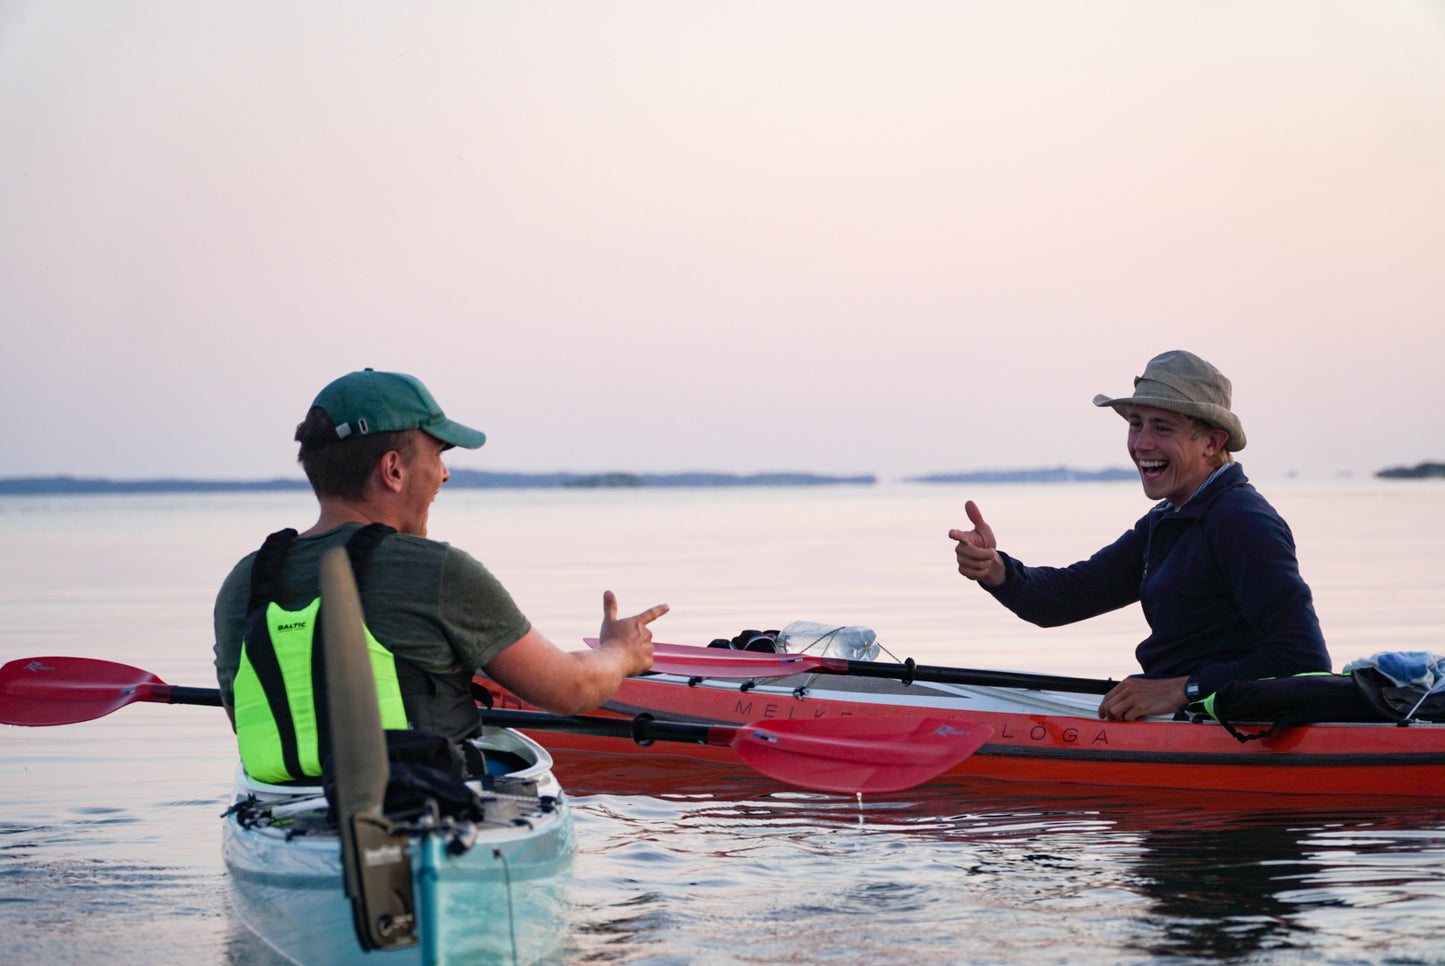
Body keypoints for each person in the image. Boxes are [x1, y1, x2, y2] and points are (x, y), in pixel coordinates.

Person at [213, 368, 668, 784]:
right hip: (428, 810)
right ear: (393, 470)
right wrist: (619, 652)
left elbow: (250, 718)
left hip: (280, 821)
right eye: (438, 454)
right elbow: (572, 689)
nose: (445, 474)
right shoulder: (437, 571)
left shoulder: (244, 584)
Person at [948, 350, 1329, 722]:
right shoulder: (1167, 519)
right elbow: (1066, 598)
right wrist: (995, 569)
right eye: (1135, 424)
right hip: (1179, 721)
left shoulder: (1243, 521)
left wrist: (1183, 689)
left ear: (1212, 443)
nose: (1141, 444)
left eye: (1162, 428)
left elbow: (1304, 663)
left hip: (1226, 729)